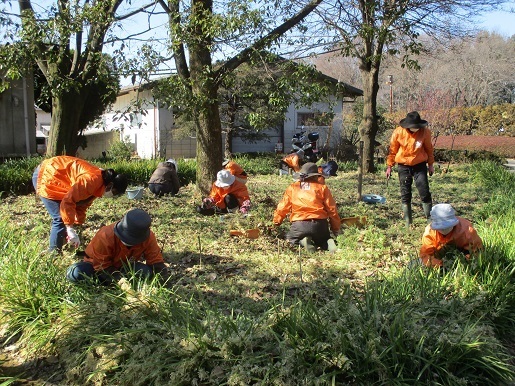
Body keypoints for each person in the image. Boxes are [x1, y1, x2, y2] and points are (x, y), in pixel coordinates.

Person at [32, 155, 128, 252]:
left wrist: (77, 224)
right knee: (60, 219)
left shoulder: (100, 187)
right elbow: (68, 201)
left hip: (57, 176)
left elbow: (82, 204)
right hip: (47, 176)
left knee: (66, 219)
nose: (112, 195)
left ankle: (62, 243)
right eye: (114, 192)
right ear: (111, 185)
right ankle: (53, 254)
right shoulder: (91, 181)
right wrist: (69, 227)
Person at [66, 209, 168, 285]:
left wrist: (164, 283)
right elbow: (102, 267)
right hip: (96, 268)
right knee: (76, 273)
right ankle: (101, 286)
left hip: (124, 268)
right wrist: (120, 281)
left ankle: (115, 285)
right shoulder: (105, 235)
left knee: (146, 272)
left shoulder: (149, 237)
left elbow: (156, 262)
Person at [273, 162, 340, 252]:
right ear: (316, 175)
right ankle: (328, 242)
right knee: (323, 240)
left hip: (299, 225)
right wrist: (335, 228)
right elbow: (332, 210)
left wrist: (276, 222)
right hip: (319, 225)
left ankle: (303, 242)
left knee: (291, 241)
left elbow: (282, 207)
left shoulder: (293, 187)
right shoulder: (322, 188)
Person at [386, 111, 435, 228]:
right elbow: (392, 150)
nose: (415, 129)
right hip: (403, 165)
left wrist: (431, 164)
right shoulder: (398, 132)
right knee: (405, 192)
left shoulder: (425, 132)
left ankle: (430, 222)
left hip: (420, 165)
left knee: (424, 190)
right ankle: (408, 223)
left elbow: (429, 149)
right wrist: (389, 166)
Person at [419, 203, 483, 268]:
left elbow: (477, 251)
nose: (444, 229)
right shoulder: (429, 233)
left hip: (462, 257)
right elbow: (426, 254)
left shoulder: (467, 230)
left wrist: (462, 262)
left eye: (447, 226)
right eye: (440, 227)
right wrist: (440, 265)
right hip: (439, 259)